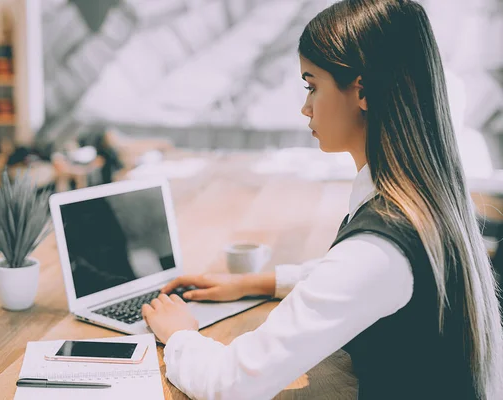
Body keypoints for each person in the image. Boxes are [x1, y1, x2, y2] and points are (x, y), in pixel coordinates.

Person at [140, 1, 503, 399]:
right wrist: (255, 282)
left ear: (362, 91)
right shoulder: (422, 200)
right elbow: (352, 279)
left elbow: (232, 383)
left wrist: (179, 335)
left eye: (312, 85)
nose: (305, 106)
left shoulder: (381, 246)